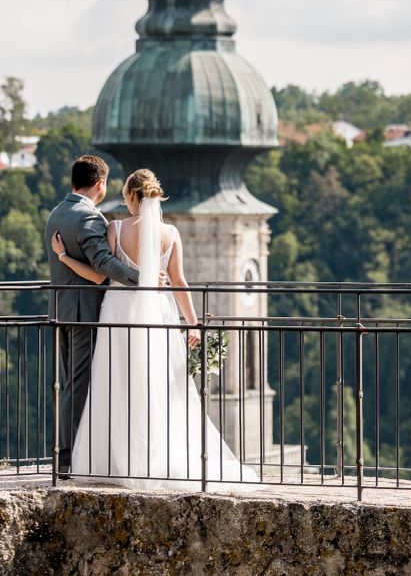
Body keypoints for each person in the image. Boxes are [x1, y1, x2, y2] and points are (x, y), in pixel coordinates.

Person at [51, 167, 258, 491]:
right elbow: (179, 282)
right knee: (158, 384)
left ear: (132, 196)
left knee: (114, 385)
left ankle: (111, 460)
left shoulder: (115, 229)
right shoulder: (171, 233)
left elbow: (101, 272)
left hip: (118, 314)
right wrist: (192, 322)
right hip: (158, 315)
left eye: (125, 196)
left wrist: (63, 256)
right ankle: (156, 458)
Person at [45, 155, 165, 478]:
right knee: (80, 385)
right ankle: (68, 457)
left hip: (60, 310)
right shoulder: (90, 218)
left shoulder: (55, 214)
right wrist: (144, 278)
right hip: (85, 313)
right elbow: (104, 266)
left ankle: (66, 452)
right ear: (100, 184)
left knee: (69, 382)